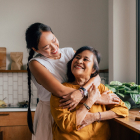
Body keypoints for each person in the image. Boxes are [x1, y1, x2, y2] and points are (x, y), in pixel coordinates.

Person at [26, 23, 111, 140]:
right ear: (35, 49)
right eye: (46, 47)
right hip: (51, 113)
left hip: (75, 110)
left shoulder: (70, 52)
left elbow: (96, 77)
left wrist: (82, 91)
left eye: (54, 40)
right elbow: (60, 91)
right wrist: (98, 99)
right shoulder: (35, 64)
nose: (54, 47)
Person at [50, 46, 129, 140]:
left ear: (93, 70)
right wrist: (90, 100)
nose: (79, 61)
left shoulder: (100, 88)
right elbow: (67, 125)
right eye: (77, 57)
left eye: (85, 59)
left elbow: (123, 110)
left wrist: (94, 116)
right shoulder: (61, 90)